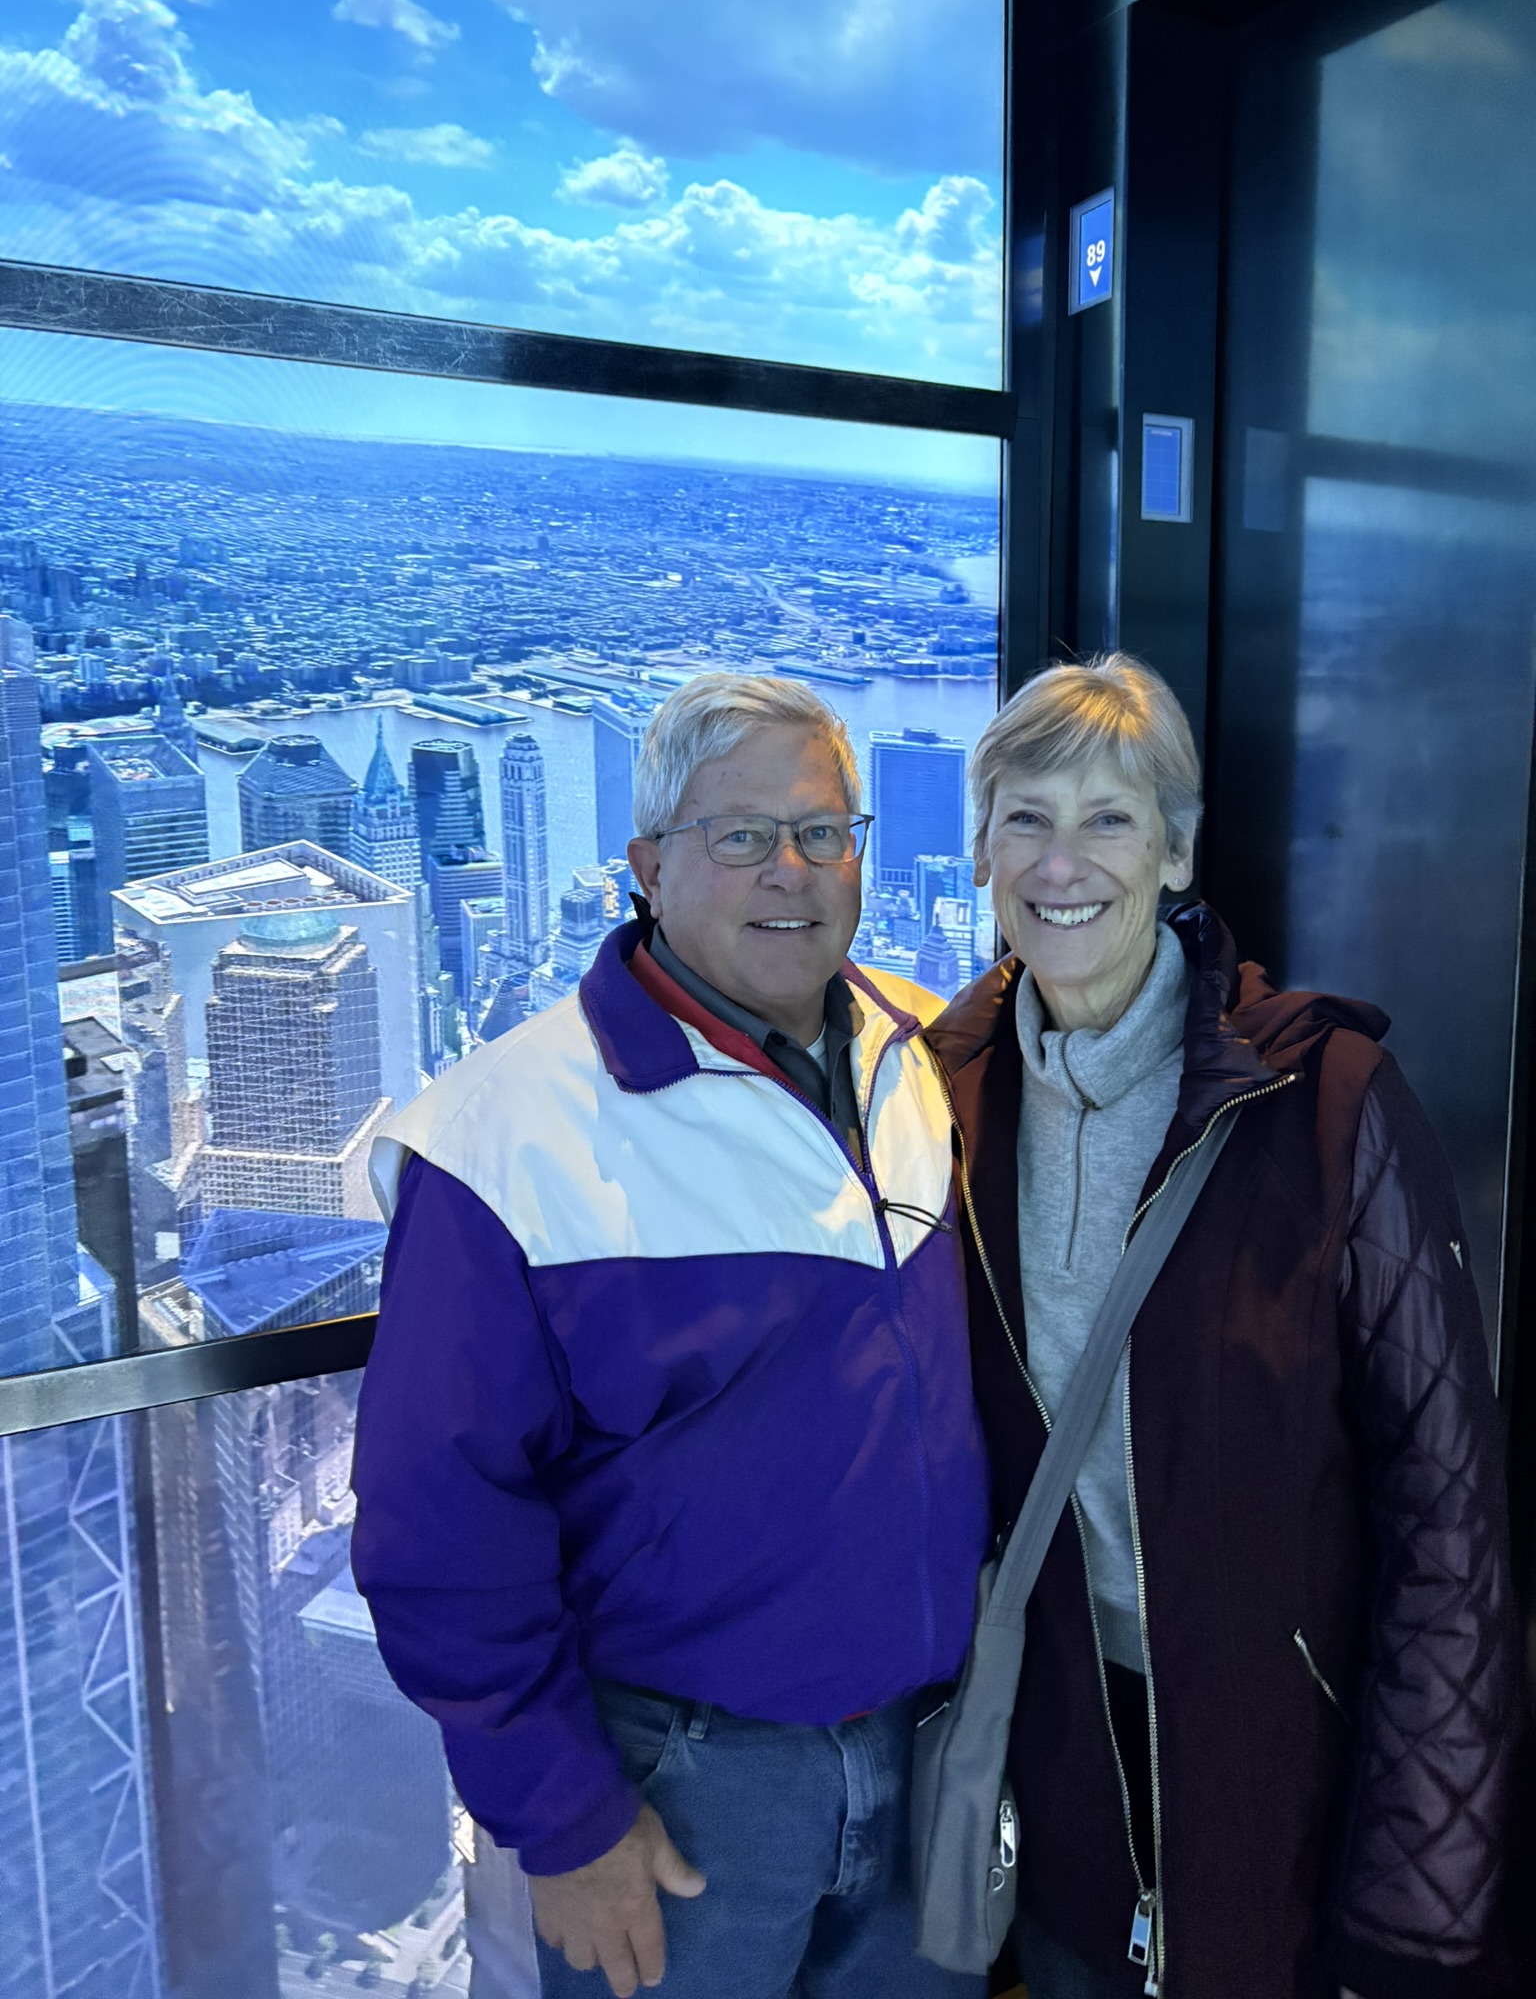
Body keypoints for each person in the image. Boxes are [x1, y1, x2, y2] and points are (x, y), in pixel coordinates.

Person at [350, 672, 990, 1999]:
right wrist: (563, 1819)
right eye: (740, 835)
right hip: (680, 1790)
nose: (790, 871)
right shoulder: (504, 1139)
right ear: (647, 868)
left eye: (822, 832)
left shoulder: (928, 1057)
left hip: (929, 1758)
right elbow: (435, 1525)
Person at [925, 654, 1517, 1999]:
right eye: (1026, 818)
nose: (1061, 861)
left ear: (1178, 851)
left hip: (1284, 1784)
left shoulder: (1325, 1102)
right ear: (981, 851)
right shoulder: (947, 1098)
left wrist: (1415, 1907)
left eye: (1109, 818)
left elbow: (1447, 1520)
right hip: (1062, 1771)